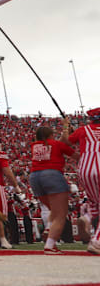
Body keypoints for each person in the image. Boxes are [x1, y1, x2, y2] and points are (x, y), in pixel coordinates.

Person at [28, 122, 79, 254]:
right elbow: (75, 154)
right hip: (52, 175)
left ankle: (49, 227)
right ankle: (50, 245)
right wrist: (68, 131)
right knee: (61, 214)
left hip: (35, 177)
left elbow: (59, 143)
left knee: (53, 210)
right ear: (51, 135)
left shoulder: (35, 145)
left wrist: (66, 131)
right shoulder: (56, 144)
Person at [64, 107, 100, 254]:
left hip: (85, 169)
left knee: (94, 202)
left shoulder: (83, 130)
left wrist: (67, 127)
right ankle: (96, 241)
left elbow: (67, 141)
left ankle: (86, 218)